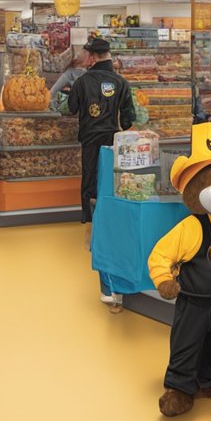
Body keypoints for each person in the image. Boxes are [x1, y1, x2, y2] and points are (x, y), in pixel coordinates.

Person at [66, 37, 135, 306]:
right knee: (112, 182)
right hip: (114, 140)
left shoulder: (82, 82)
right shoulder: (121, 82)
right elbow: (129, 117)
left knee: (90, 180)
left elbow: (69, 108)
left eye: (85, 53)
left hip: (90, 139)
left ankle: (91, 227)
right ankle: (109, 221)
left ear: (92, 57)